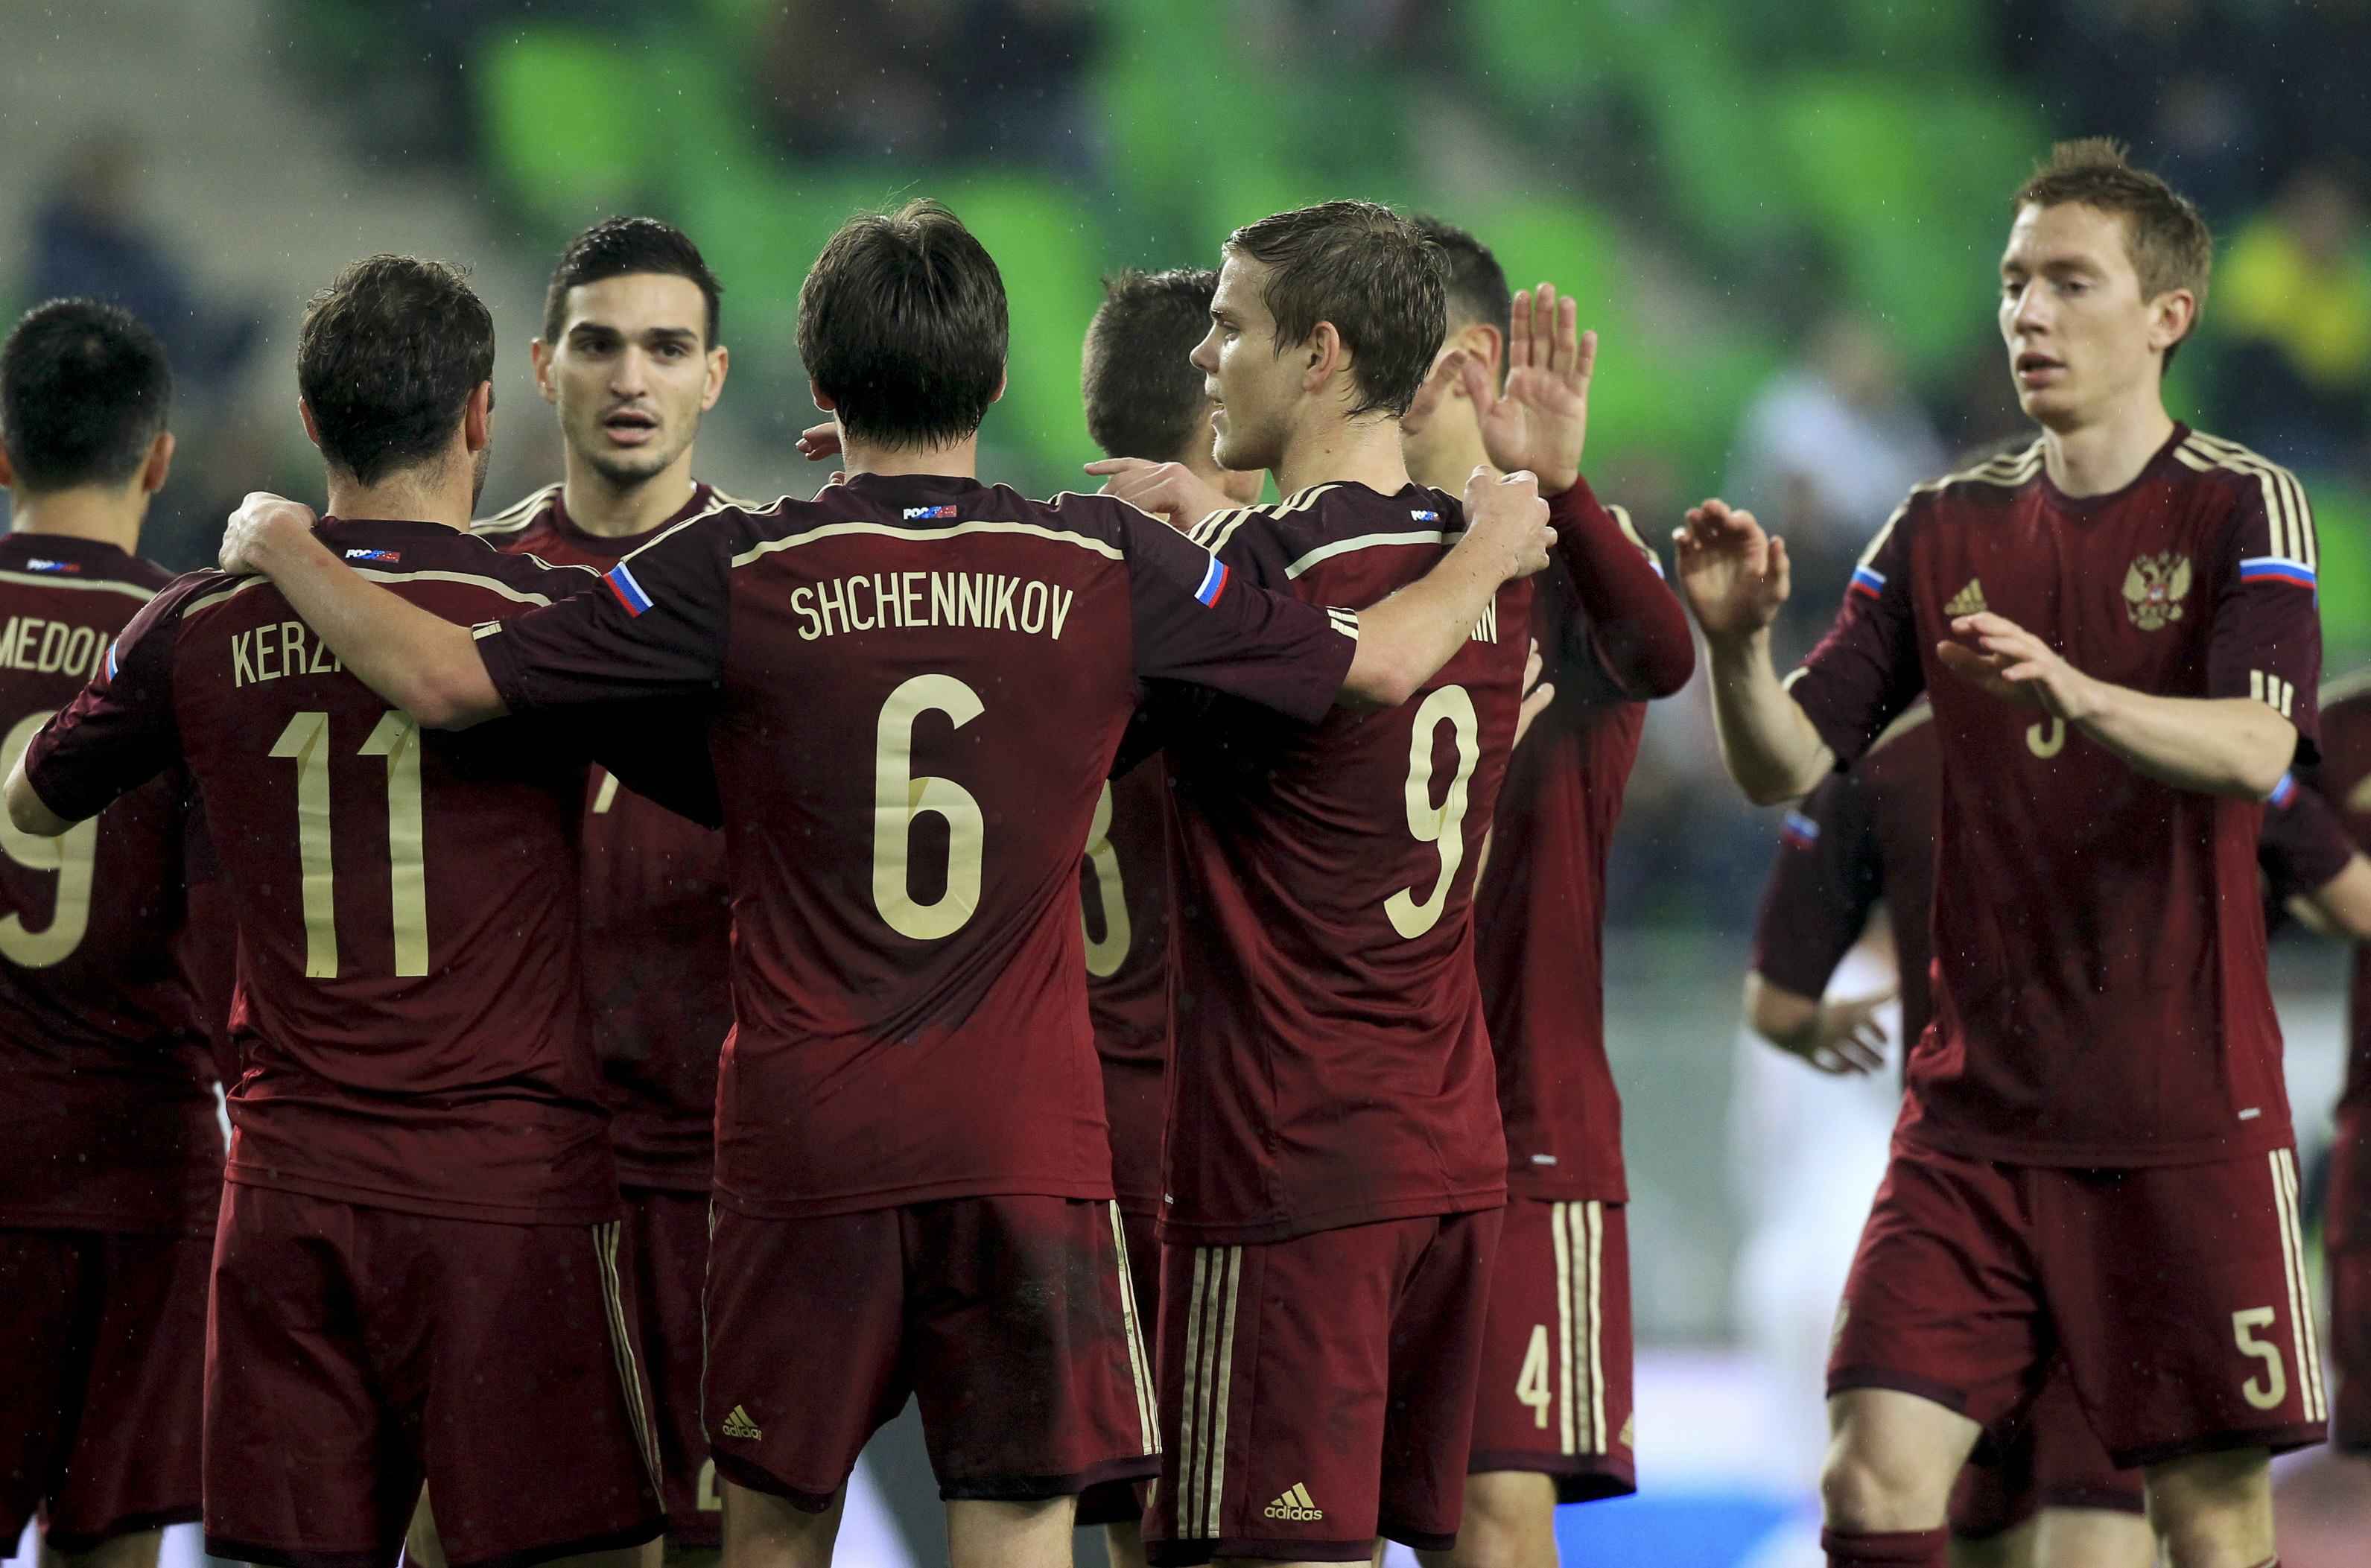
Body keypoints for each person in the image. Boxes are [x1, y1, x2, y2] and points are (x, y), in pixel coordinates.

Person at [200, 200, 1555, 1568]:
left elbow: (446, 681)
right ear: (996, 377)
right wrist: (1490, 546)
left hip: (811, 1144)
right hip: (1023, 1148)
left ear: (818, 380)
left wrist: (284, 544)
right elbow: (1371, 664)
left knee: (773, 1530)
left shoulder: (735, 562)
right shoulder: (1098, 559)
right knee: (1017, 1523)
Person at [1673, 137, 2325, 1568]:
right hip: (1968, 1130)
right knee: (1868, 1481)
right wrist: (1733, 651)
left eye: (2068, 282)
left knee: (2209, 1524)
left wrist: (2079, 693)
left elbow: (2255, 747)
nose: (2027, 311)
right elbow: (1782, 765)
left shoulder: (2237, 504)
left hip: (2178, 1125)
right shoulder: (1936, 525)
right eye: (2013, 281)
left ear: (2165, 314)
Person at [5, 256, 696, 1568]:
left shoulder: (193, 627)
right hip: (508, 1196)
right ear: (483, 414)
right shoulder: (547, 620)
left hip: (291, 1191)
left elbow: (33, 806)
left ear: (312, 422)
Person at [1131, 199, 1578, 1567]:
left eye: (1228, 327)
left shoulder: (1261, 573)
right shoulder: (1490, 565)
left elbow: (1322, 639)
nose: (1202, 356)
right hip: (1443, 1150)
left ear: (1318, 354)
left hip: (1289, 1158)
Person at [1388, 218, 1696, 1568]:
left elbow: (1663, 654)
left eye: (1384, 350)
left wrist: (1559, 490)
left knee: (1494, 1516)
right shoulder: (1354, 563)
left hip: (1525, 1127)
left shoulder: (1574, 562)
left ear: (1461, 365)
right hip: (1360, 1119)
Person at [472, 216, 741, 1564]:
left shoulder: (774, 583)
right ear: (541, 366)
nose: (631, 377)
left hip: (715, 1165)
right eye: (598, 344)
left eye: (666, 348)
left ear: (714, 377)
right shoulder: (468, 585)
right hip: (513, 1164)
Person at [1746, 696, 2154, 1568]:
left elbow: (1771, 1025)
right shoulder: (2146, 734)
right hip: (2084, 1197)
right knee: (2093, 1509)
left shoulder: (1882, 765)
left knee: (1900, 1499)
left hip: (1910, 1232)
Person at [0, 299, 223, 1568]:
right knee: (111, 1545)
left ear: (2, 453)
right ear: (159, 458)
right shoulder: (195, 641)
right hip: (136, 1170)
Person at [1069, 265, 1263, 1568]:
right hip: (1193, 1120)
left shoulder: (1029, 576)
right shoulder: (1240, 611)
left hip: (1047, 1112)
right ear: (1210, 414)